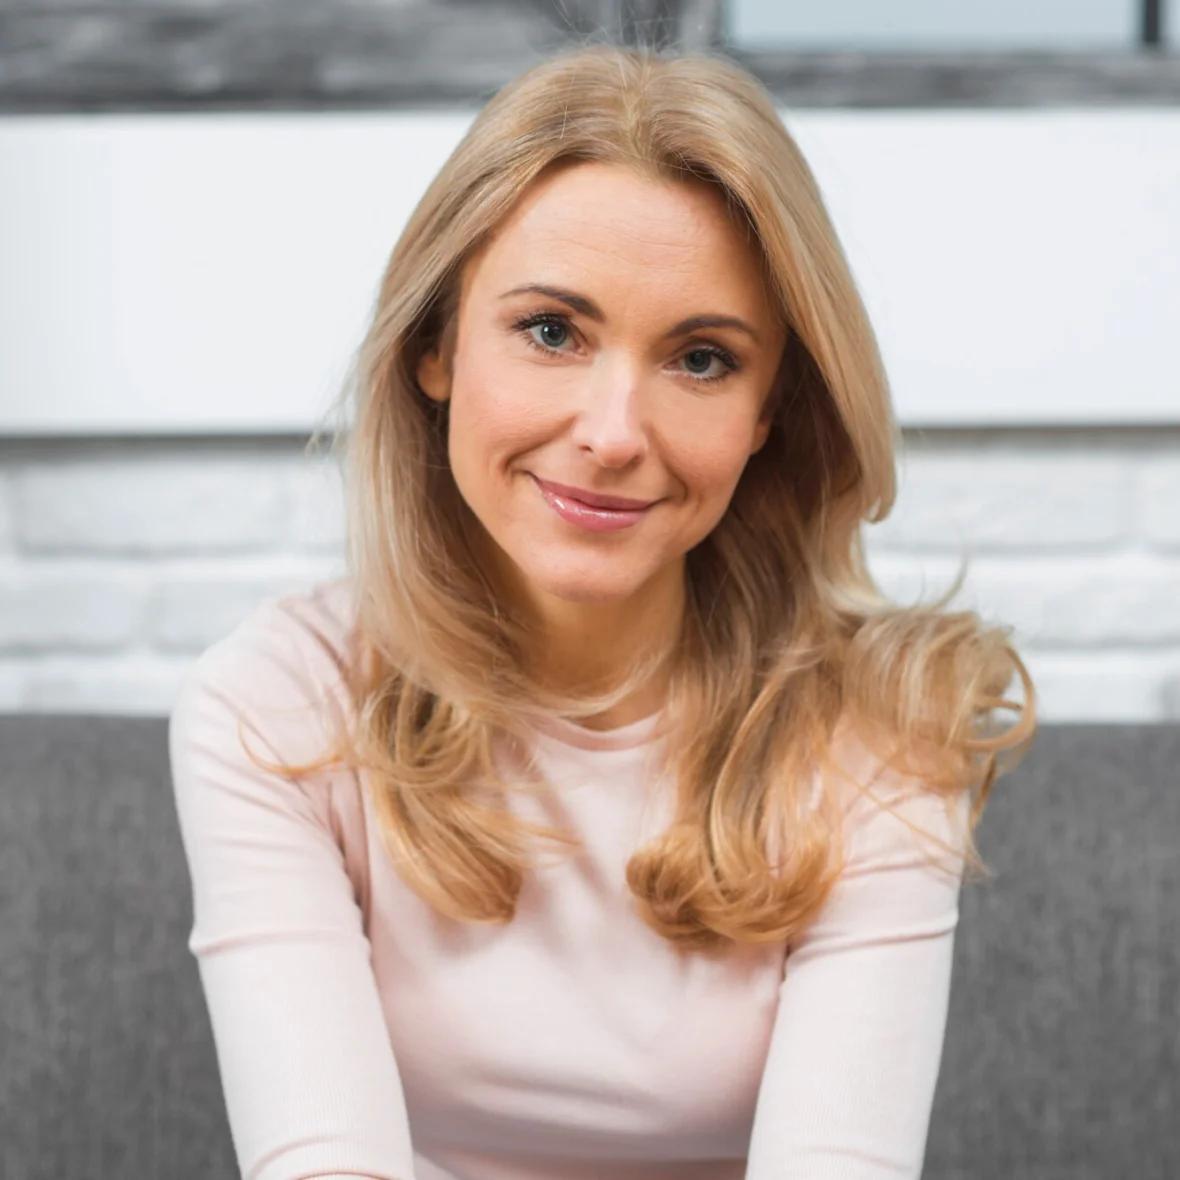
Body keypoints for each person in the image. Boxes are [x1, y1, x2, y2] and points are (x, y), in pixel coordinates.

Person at [168, 43, 1036, 1180]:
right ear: (435, 345)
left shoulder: (879, 729)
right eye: (550, 332)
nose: (614, 432)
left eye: (701, 359)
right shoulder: (276, 708)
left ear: (769, 412)